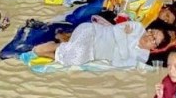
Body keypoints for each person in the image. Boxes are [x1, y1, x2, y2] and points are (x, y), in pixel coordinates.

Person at [32, 18, 168, 68]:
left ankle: (57, 45)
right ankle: (50, 47)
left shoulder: (142, 56)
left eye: (154, 40)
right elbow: (115, 30)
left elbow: (117, 63)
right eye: (151, 32)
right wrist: (123, 50)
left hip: (93, 53)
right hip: (93, 32)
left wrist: (123, 40)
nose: (149, 36)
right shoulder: (137, 27)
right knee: (76, 52)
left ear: (154, 48)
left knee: (75, 59)